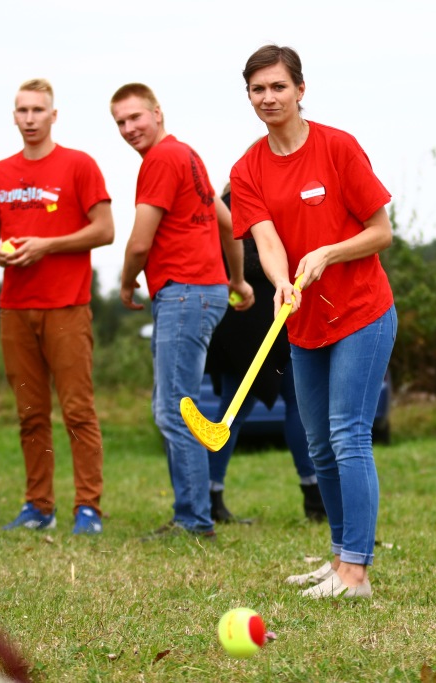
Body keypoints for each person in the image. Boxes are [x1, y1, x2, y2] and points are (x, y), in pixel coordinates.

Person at [230, 45, 397, 599]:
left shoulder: (337, 147)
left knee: (348, 435)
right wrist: (281, 280)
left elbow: (381, 232)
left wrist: (328, 252)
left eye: (278, 86)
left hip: (362, 312)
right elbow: (266, 241)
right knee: (319, 445)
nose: (268, 98)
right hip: (303, 319)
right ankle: (340, 557)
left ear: (300, 90)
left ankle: (357, 572)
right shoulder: (247, 169)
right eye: (258, 89)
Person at [109, 83, 253, 540]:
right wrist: (236, 279)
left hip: (185, 293)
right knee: (171, 406)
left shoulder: (160, 160)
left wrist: (127, 280)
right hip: (204, 291)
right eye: (120, 122)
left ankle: (194, 521)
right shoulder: (187, 155)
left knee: (176, 410)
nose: (129, 128)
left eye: (135, 117)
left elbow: (140, 242)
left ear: (157, 112)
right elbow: (228, 222)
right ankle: (189, 514)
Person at [0, 78, 114, 535]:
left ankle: (88, 508)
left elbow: (104, 230)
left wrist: (47, 245)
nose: (30, 118)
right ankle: (39, 506)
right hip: (15, 307)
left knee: (77, 411)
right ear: (14, 116)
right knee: (30, 414)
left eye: (38, 110)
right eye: (23, 110)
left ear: (53, 115)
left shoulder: (79, 165)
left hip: (66, 305)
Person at [204, 187, 325, 524]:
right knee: (252, 408)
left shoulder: (232, 205)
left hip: (259, 323)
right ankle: (313, 496)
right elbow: (245, 260)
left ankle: (211, 496)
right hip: (250, 324)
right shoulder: (239, 208)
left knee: (247, 409)